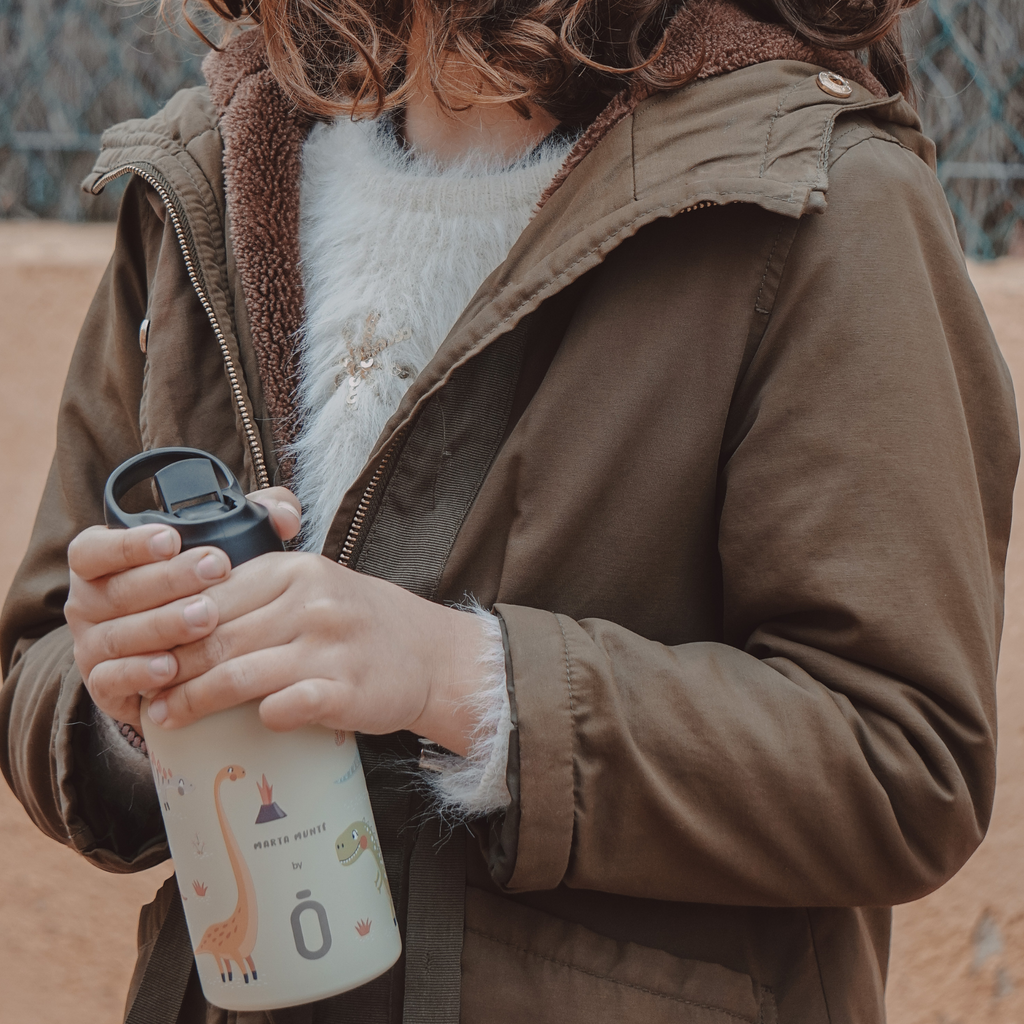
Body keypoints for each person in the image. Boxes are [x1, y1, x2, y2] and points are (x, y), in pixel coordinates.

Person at [0, 0, 1017, 1019]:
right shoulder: (214, 159)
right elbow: (39, 658)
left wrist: (464, 681)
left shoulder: (819, 193)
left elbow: (903, 762)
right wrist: (131, 698)